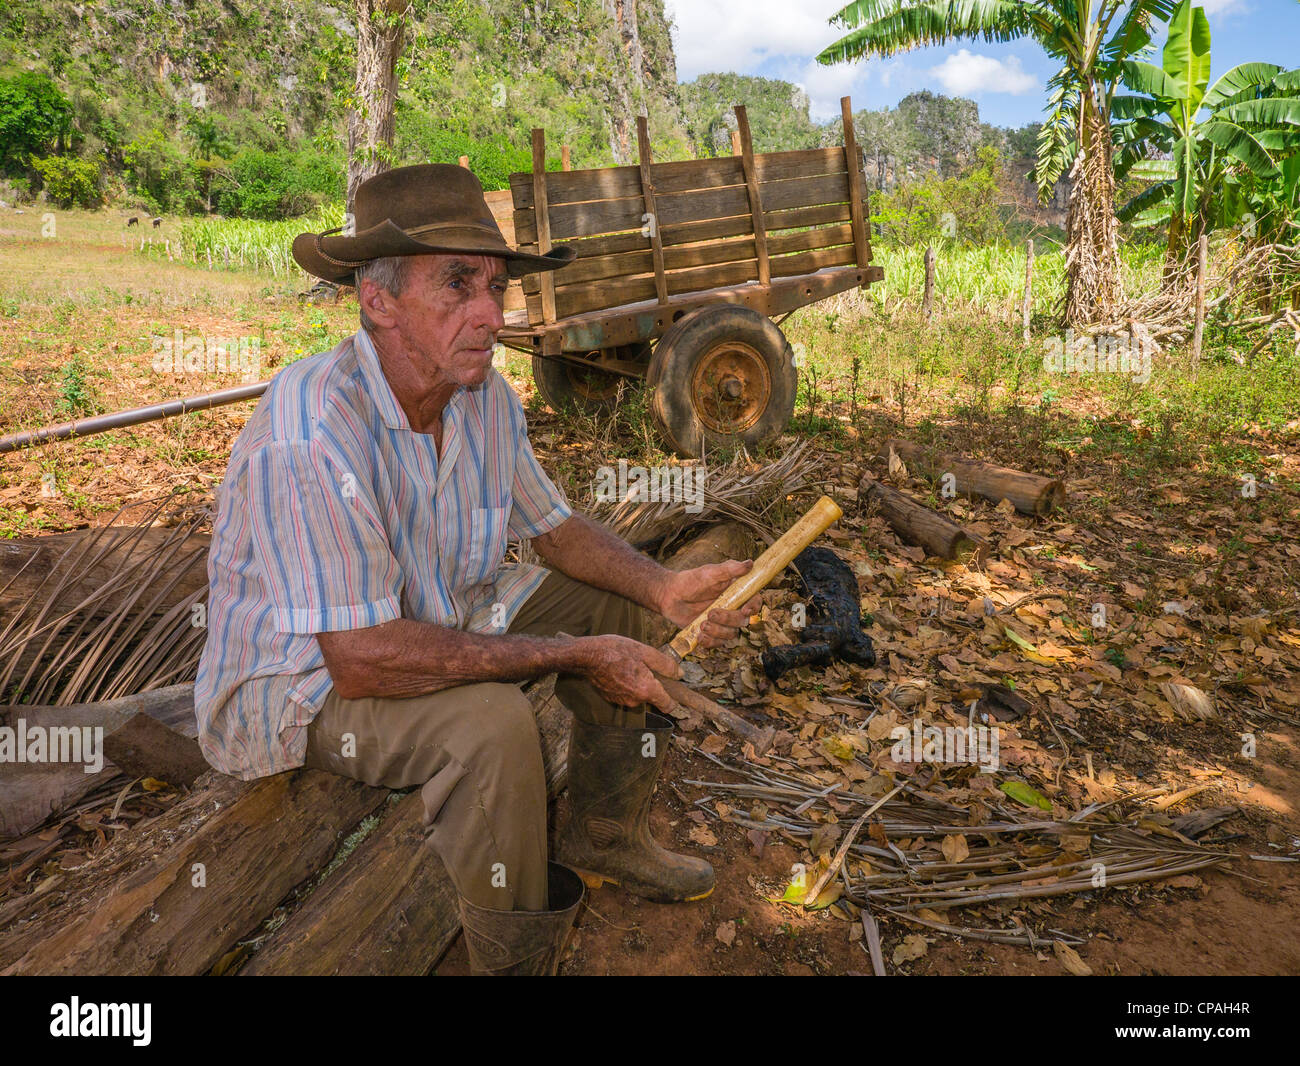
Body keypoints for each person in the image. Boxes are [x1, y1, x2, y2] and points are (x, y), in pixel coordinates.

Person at [194, 163, 760, 975]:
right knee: (492, 727)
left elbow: (554, 528)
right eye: (457, 285)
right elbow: (360, 658)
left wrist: (662, 587)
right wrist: (569, 655)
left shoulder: (483, 397)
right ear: (377, 301)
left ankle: (606, 835)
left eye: (496, 288)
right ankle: (514, 957)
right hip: (302, 680)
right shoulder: (311, 431)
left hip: (438, 615)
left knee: (621, 606)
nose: (490, 316)